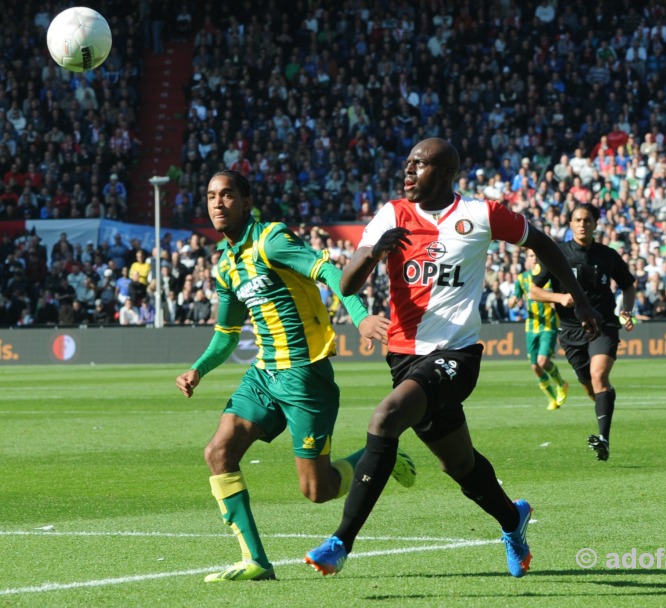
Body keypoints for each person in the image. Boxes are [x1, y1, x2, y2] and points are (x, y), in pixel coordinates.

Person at [304, 138, 599, 578]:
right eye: (406, 165)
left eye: (418, 166)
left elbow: (544, 244)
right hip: (404, 358)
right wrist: (374, 252)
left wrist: (580, 299)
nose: (407, 173)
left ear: (444, 173)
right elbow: (346, 286)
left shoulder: (481, 214)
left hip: (457, 356)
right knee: (458, 465)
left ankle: (340, 542)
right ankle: (512, 519)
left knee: (385, 418)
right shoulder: (391, 215)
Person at [175, 170, 416, 583]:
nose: (218, 203)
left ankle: (380, 457)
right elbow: (226, 335)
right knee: (218, 451)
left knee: (316, 491)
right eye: (212, 195)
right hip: (264, 375)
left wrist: (358, 317)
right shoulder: (227, 265)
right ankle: (256, 561)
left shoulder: (271, 240)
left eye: (227, 194)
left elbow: (327, 272)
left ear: (246, 201)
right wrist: (198, 368)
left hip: (305, 376)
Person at [528, 204, 636, 461]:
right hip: (570, 330)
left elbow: (628, 286)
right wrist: (559, 297)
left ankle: (604, 439)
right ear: (570, 223)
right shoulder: (557, 253)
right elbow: (533, 291)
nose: (582, 224)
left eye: (587, 220)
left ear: (596, 223)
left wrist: (627, 310)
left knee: (599, 376)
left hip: (603, 325)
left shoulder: (608, 255)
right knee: (590, 386)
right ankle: (603, 403)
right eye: (577, 220)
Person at [509, 249, 569, 410]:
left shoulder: (550, 277)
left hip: (549, 325)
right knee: (535, 366)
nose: (534, 259)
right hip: (531, 327)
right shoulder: (521, 279)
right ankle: (551, 399)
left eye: (537, 255)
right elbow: (513, 299)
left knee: (543, 361)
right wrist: (513, 302)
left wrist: (554, 303)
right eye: (531, 256)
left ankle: (561, 384)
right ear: (527, 260)